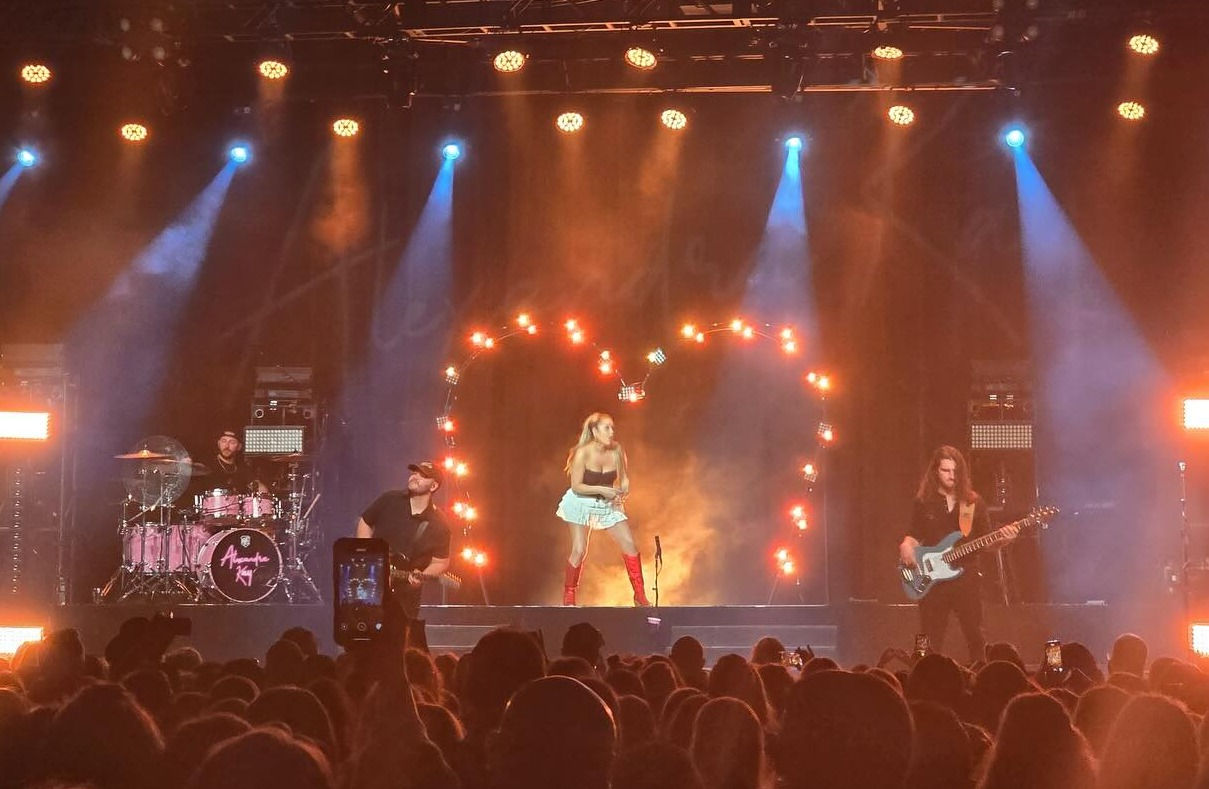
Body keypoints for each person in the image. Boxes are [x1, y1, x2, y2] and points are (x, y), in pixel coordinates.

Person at [898, 446, 1018, 662]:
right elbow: (914, 534)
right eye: (946, 470)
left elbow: (986, 542)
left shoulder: (973, 502)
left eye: (955, 471)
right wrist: (906, 546)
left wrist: (1004, 539)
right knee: (927, 636)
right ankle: (922, 673)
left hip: (966, 578)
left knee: (975, 634)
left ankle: (980, 672)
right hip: (932, 579)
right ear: (935, 471)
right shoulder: (924, 501)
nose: (951, 475)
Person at [556, 412, 650, 606]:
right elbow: (577, 486)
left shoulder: (617, 450)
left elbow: (624, 477)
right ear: (594, 430)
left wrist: (623, 490)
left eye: (612, 427)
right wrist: (602, 489)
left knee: (630, 545)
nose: (611, 432)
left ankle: (639, 595)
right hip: (581, 502)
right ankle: (569, 594)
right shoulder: (583, 452)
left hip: (607, 504)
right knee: (579, 549)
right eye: (606, 428)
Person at [355, 461, 452, 619]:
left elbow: (440, 562)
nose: (415, 476)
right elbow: (365, 521)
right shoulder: (390, 499)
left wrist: (423, 576)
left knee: (401, 631)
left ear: (433, 486)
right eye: (414, 472)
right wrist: (368, 555)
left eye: (423, 475)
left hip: (405, 596)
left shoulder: (439, 524)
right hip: (370, 582)